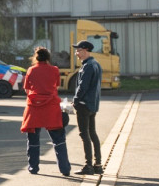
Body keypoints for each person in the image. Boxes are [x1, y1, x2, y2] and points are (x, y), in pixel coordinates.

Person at [20, 46, 72, 176]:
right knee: (58, 139)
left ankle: (33, 167)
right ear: (48, 57)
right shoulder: (54, 70)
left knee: (33, 140)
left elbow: (27, 89)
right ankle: (65, 169)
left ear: (35, 57)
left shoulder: (31, 70)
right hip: (51, 107)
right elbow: (56, 86)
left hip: (34, 108)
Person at [72, 39, 103, 174]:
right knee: (92, 133)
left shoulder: (87, 66)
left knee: (84, 134)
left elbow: (82, 86)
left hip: (84, 105)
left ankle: (88, 166)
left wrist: (75, 100)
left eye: (78, 50)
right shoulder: (95, 64)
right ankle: (98, 164)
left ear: (85, 51)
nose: (76, 53)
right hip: (93, 104)